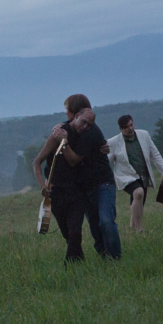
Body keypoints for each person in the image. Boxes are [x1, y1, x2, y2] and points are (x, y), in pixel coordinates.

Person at [59, 94, 121, 259]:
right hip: (84, 187)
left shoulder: (89, 132)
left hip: (102, 184)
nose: (65, 113)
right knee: (95, 227)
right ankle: (104, 256)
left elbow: (73, 161)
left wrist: (62, 141)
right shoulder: (73, 129)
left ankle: (115, 258)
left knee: (106, 221)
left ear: (75, 112)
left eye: (67, 110)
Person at [32, 108, 98, 261]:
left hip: (77, 191)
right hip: (56, 192)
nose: (85, 127)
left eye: (89, 125)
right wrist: (43, 186)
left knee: (75, 231)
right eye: (84, 122)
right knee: (67, 234)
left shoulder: (86, 138)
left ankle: (69, 266)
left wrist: (66, 142)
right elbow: (36, 162)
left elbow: (74, 161)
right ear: (76, 116)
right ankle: (79, 262)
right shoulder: (58, 133)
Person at [107, 115, 163, 234]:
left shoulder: (144, 135)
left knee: (139, 201)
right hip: (125, 176)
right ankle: (139, 230)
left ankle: (132, 229)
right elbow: (106, 162)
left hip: (143, 175)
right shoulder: (113, 142)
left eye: (131, 125)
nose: (130, 128)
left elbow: (154, 154)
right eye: (126, 127)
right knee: (138, 193)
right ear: (121, 129)